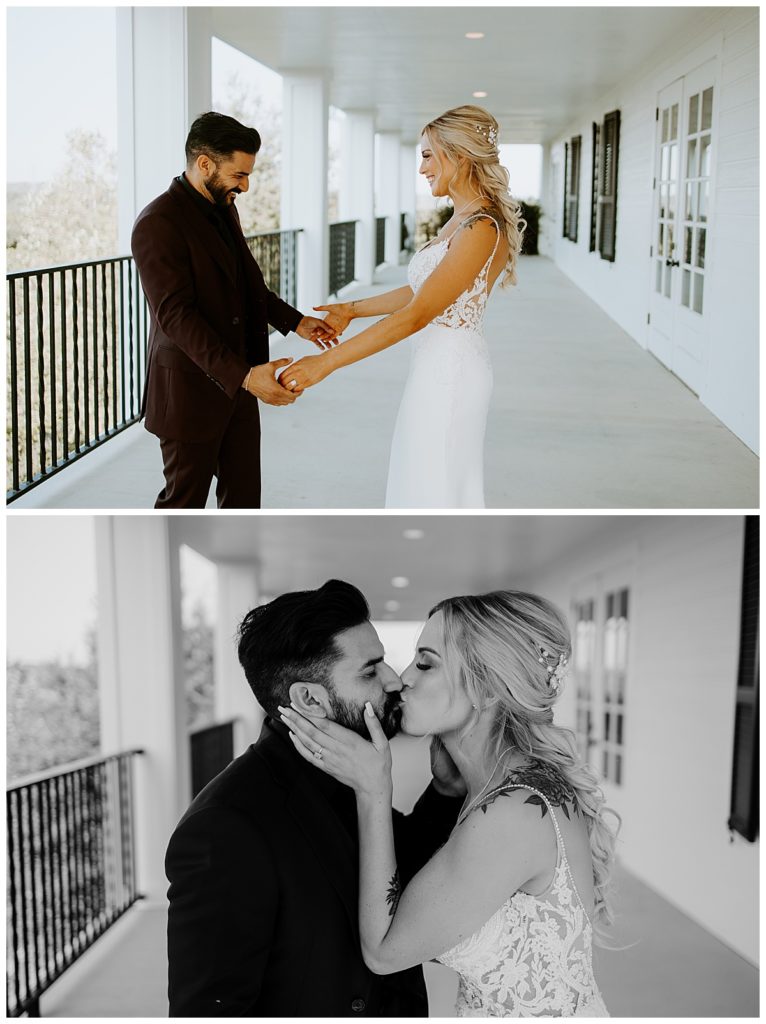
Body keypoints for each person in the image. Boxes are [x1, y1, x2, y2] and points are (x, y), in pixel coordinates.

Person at [281, 590, 619, 1017]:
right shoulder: (510, 788)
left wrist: (373, 791)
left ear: (487, 687)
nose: (402, 678)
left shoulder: (513, 812)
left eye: (426, 663)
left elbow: (385, 952)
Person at [165, 580, 465, 1016]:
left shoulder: (352, 768)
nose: (394, 679)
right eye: (370, 669)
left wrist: (442, 792)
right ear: (308, 699)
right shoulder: (223, 829)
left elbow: (401, 879)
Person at [277, 105, 526, 508]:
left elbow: (417, 314)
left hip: (452, 373)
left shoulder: (481, 226)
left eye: (428, 155)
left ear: (459, 157)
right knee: (422, 480)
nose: (422, 167)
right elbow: (422, 291)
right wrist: (352, 309)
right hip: (434, 366)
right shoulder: (460, 219)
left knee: (437, 487)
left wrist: (326, 363)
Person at [131, 111, 336, 509]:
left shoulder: (225, 205)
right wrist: (243, 377)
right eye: (239, 175)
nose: (245, 185)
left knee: (244, 504)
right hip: (189, 392)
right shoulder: (157, 223)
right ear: (204, 163)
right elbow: (175, 317)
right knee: (182, 507)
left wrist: (297, 323)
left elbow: (248, 284)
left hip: (240, 388)